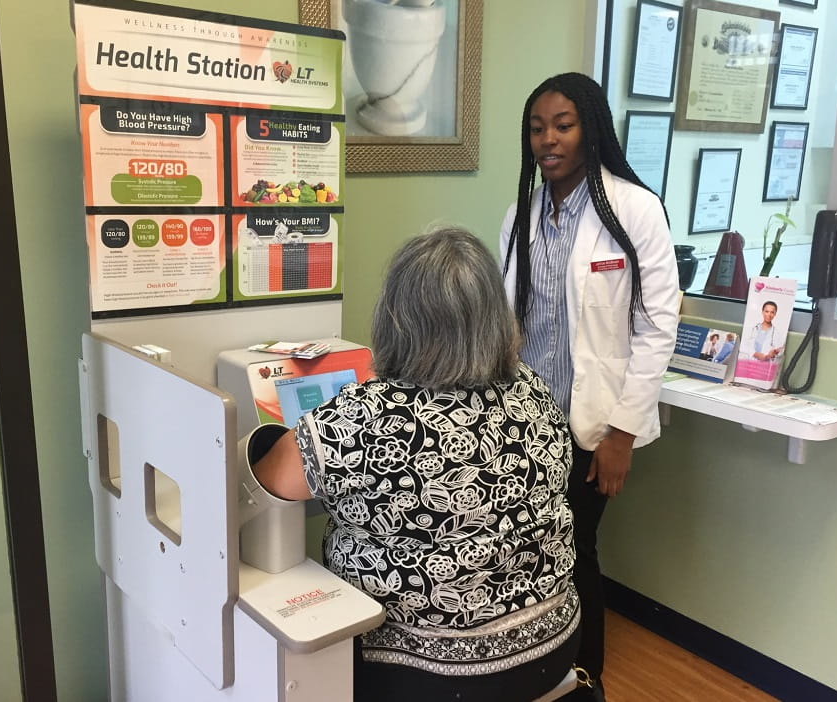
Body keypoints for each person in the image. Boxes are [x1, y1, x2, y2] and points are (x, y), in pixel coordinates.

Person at [250, 227, 580, 702]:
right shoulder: (532, 388)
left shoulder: (370, 415)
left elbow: (267, 479)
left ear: (396, 320)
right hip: (553, 644)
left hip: (432, 675)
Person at [499, 72, 680, 701]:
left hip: (594, 426)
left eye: (563, 125)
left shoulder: (635, 209)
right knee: (526, 549)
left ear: (591, 128)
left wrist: (621, 434)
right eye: (537, 128)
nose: (548, 140)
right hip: (522, 422)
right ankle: (530, 672)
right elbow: (506, 320)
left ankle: (585, 681)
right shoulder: (521, 213)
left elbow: (658, 326)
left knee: (575, 550)